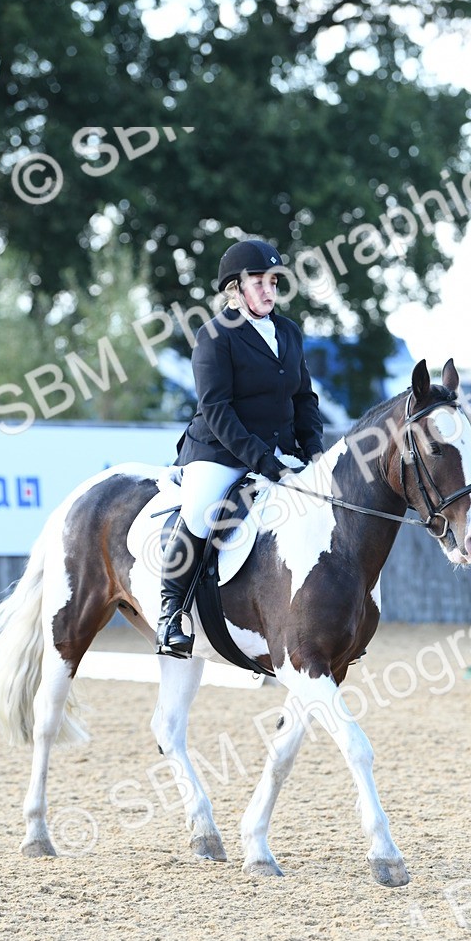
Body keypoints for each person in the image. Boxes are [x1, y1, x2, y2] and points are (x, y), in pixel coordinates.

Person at [156, 238, 325, 659]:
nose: (269, 290)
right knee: (199, 512)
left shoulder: (288, 332)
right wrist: (264, 462)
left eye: (274, 281)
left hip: (281, 453)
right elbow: (217, 410)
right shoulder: (215, 336)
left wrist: (315, 452)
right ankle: (171, 611)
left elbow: (304, 398)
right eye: (259, 281)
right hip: (220, 452)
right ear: (235, 288)